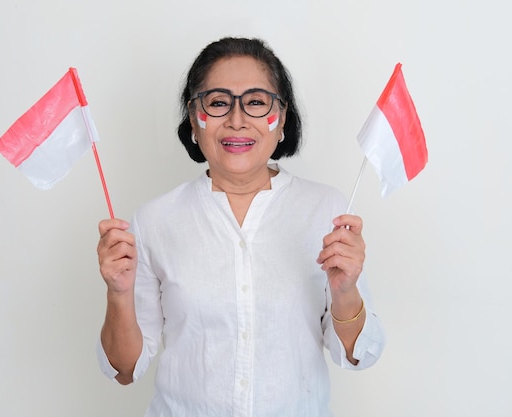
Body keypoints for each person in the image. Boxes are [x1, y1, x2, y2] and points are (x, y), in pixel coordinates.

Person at [96, 37, 385, 417]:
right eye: (217, 103)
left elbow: (356, 355)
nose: (236, 120)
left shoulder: (327, 210)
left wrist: (345, 290)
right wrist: (118, 293)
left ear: (281, 118)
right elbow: (124, 369)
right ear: (194, 120)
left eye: (255, 102)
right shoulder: (155, 220)